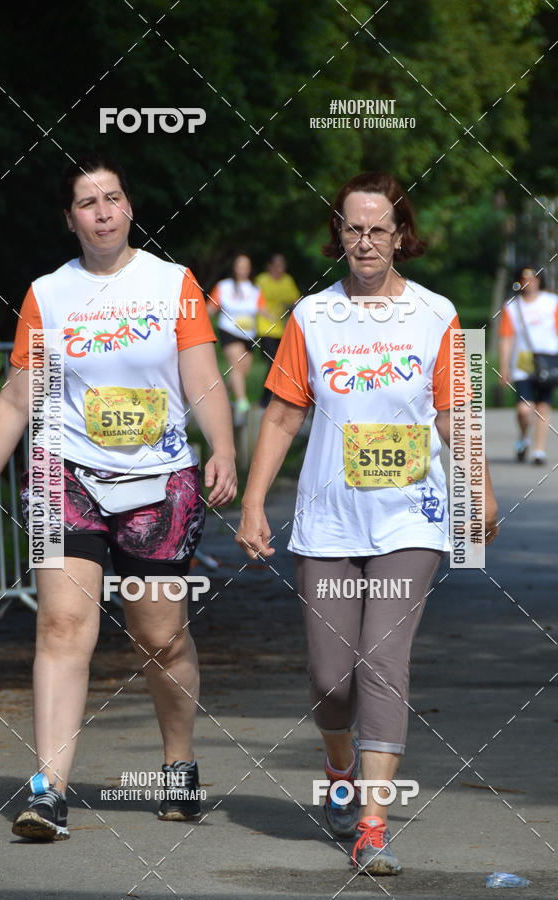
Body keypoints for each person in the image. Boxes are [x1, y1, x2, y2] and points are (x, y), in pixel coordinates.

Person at [0, 152, 237, 841]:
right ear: (70, 219)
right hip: (65, 477)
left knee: (159, 637)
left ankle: (178, 765)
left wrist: (223, 448)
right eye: (88, 202)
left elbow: (202, 377)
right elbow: (17, 399)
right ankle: (48, 792)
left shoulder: (172, 283)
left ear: (130, 208)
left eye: (113, 198)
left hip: (159, 484)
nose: (103, 212)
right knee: (60, 626)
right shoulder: (49, 294)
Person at [236, 172, 499, 875]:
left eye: (379, 228)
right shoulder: (312, 316)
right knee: (332, 679)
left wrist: (478, 487)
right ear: (339, 235)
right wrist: (254, 503)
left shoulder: (438, 314)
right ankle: (339, 769)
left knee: (382, 662)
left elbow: (455, 412)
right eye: (353, 228)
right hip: (328, 521)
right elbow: (283, 416)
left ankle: (373, 826)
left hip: (411, 517)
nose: (366, 241)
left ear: (401, 235)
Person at [498, 265, 558, 464]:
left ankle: (538, 451)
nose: (529, 283)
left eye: (533, 279)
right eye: (524, 279)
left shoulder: (552, 303)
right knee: (524, 409)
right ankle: (523, 438)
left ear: (540, 281)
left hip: (549, 361)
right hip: (523, 363)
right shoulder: (512, 306)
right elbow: (506, 338)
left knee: (543, 406)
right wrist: (504, 367)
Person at [208, 254, 270, 426]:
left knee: (243, 370)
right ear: (234, 267)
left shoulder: (255, 289)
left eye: (246, 266)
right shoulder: (224, 286)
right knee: (236, 365)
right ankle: (243, 403)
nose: (243, 269)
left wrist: (278, 321)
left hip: (249, 334)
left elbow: (262, 309)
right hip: (229, 330)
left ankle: (223, 392)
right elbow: (211, 307)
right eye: (240, 265)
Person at [255, 254, 301, 407]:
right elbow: (256, 302)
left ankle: (275, 398)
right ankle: (265, 400)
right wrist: (268, 315)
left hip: (281, 329)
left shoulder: (287, 280)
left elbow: (296, 300)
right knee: (274, 362)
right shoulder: (262, 280)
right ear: (270, 266)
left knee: (280, 363)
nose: (280, 269)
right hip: (265, 328)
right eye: (277, 266)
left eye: (282, 266)